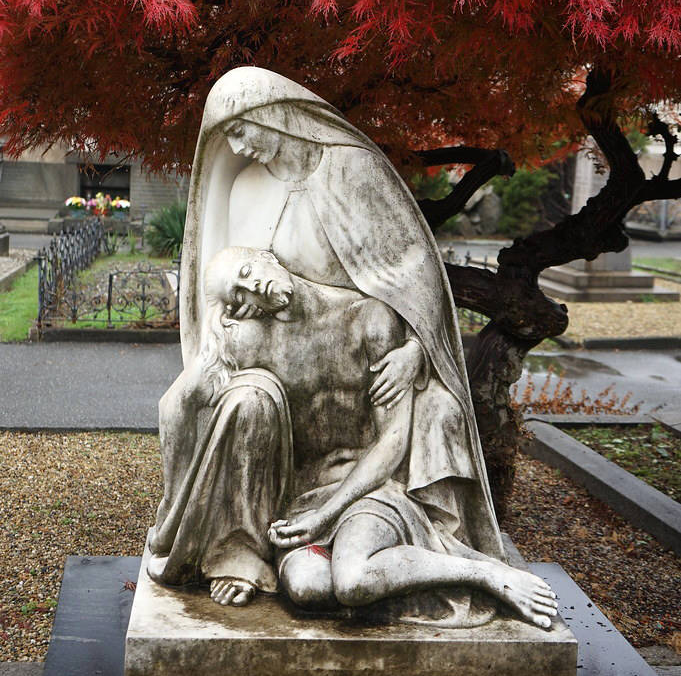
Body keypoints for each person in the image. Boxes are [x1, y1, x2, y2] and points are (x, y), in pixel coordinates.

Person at [178, 67, 504, 583]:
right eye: (228, 137)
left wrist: (417, 350)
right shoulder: (245, 188)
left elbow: (416, 273)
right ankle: (240, 549)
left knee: (424, 414)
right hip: (300, 368)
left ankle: (412, 549)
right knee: (243, 399)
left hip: (369, 355)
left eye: (240, 128)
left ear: (272, 112)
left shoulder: (354, 171)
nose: (237, 144)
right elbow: (248, 276)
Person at [150, 246, 557, 630]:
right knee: (309, 588)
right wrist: (172, 510)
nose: (252, 287)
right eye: (237, 292)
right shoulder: (255, 341)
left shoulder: (369, 319)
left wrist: (324, 518)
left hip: (369, 493)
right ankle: (400, 569)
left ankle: (486, 574)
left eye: (246, 273)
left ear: (266, 257)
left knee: (352, 580)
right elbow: (176, 406)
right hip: (304, 505)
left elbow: (393, 442)